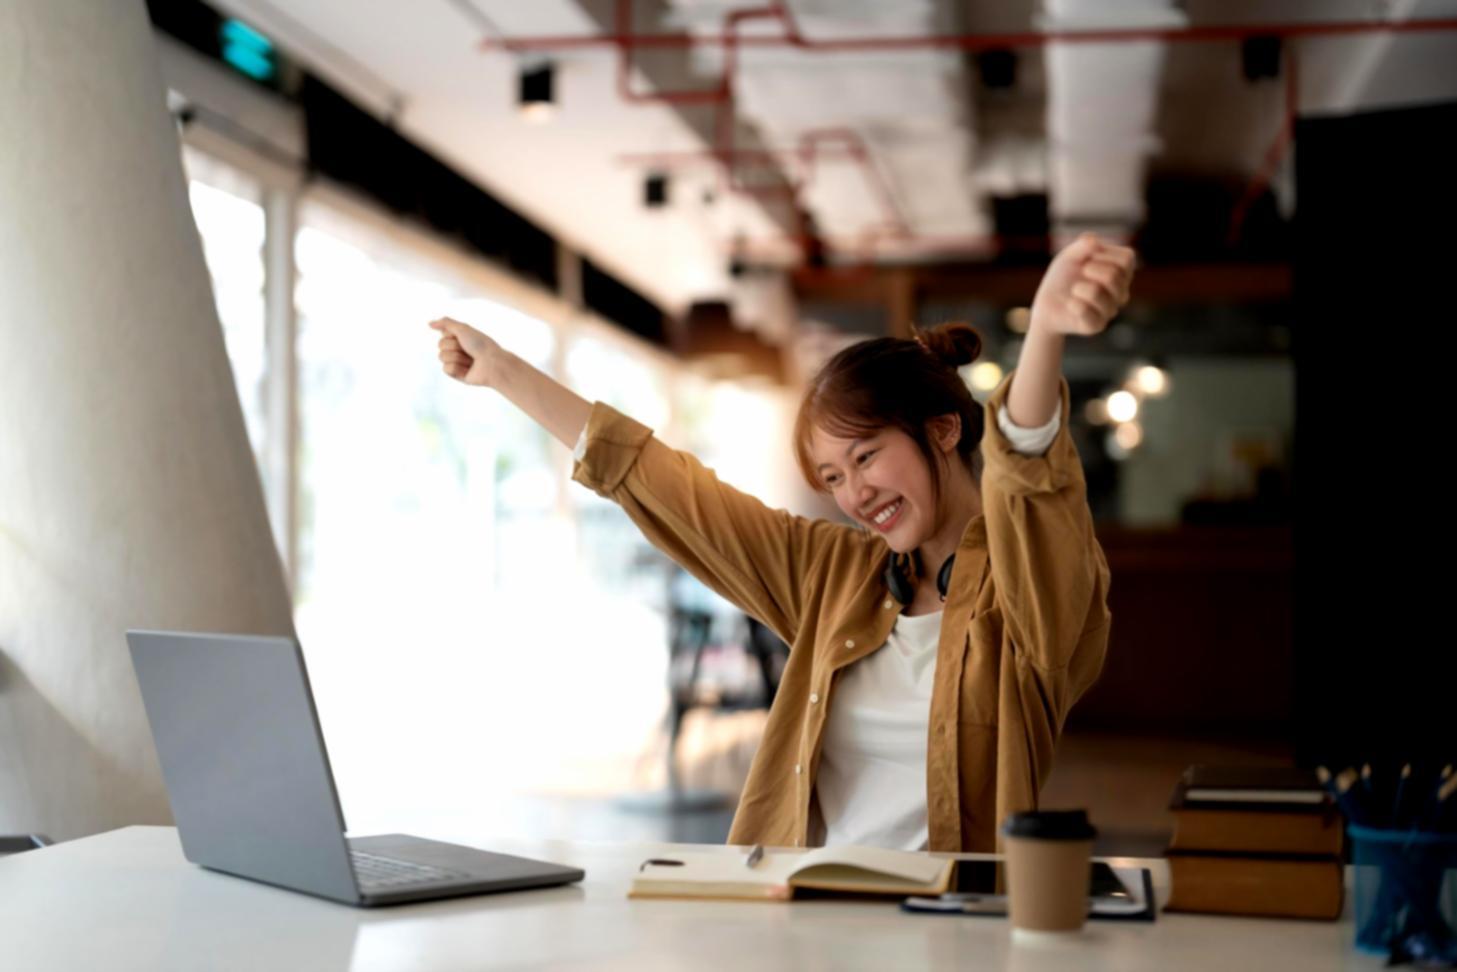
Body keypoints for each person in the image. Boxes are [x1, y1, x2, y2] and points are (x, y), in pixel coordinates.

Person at [429, 232, 1135, 852]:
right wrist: (503, 373)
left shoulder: (1028, 598)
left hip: (953, 930)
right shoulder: (832, 573)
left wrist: (1044, 328)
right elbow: (664, 484)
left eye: (865, 457)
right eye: (831, 476)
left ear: (943, 431)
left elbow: (1032, 489)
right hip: (802, 916)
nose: (853, 495)